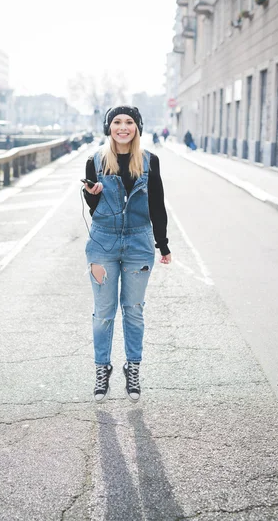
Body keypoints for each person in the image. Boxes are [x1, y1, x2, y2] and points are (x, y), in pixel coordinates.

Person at [83, 105, 171, 404]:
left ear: (137, 127)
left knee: (133, 310)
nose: (123, 127)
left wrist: (163, 244)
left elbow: (157, 204)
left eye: (129, 122)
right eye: (117, 122)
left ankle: (132, 368)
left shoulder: (149, 161)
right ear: (109, 127)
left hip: (139, 244)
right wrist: (90, 194)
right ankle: (102, 368)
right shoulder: (94, 160)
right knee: (103, 314)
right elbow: (94, 209)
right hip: (103, 243)